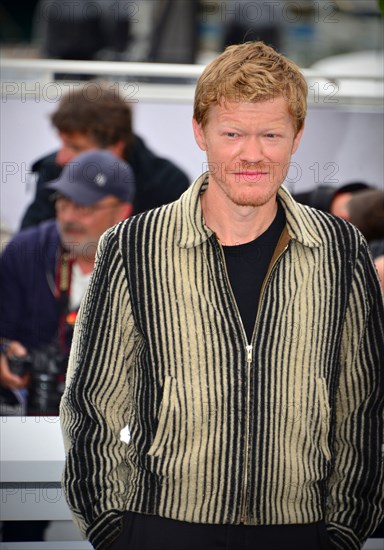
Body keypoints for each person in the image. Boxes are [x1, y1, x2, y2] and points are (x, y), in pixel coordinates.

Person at [60, 41, 384, 550]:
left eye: (271, 134)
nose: (252, 153)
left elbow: (360, 406)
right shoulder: (133, 247)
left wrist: (343, 530)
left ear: (297, 137)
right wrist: (111, 529)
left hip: (301, 531)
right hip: (161, 527)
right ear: (200, 132)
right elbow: (93, 402)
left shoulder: (341, 250)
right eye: (232, 133)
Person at [20, 83, 189, 229]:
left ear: (115, 148)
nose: (61, 158)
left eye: (75, 147)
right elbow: (28, 247)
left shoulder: (168, 185)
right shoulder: (54, 170)